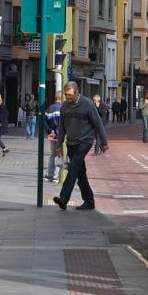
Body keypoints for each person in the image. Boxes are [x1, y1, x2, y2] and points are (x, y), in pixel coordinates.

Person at [53, 81, 109, 211]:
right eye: (66, 95)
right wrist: (58, 145)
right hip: (71, 142)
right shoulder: (64, 107)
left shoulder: (87, 104)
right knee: (80, 173)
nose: (67, 98)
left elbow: (98, 124)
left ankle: (64, 198)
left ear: (77, 93)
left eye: (69, 95)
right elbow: (61, 128)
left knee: (72, 168)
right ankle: (89, 201)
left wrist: (104, 142)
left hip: (85, 142)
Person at [44, 91, 63, 182]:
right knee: (59, 155)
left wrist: (50, 131)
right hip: (60, 136)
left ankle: (49, 174)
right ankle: (56, 176)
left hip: (52, 135)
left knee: (52, 154)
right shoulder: (62, 109)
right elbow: (62, 124)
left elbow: (44, 122)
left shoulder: (49, 109)